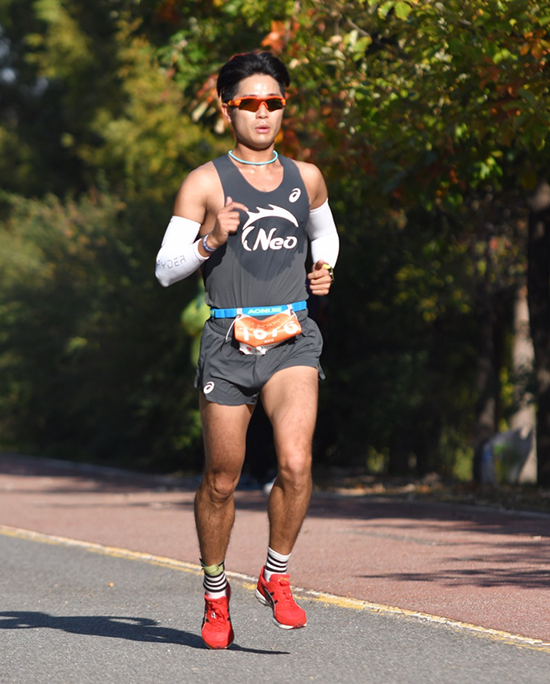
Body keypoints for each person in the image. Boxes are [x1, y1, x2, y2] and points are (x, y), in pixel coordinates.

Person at [154, 51, 339, 649]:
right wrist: (209, 240)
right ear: (226, 108)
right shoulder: (204, 182)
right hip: (228, 340)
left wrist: (324, 269)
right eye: (250, 103)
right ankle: (215, 593)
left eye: (273, 102)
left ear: (284, 106)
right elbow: (165, 269)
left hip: (291, 335)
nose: (263, 113)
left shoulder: (306, 177)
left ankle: (275, 575)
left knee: (296, 463)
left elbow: (326, 234)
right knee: (221, 479)